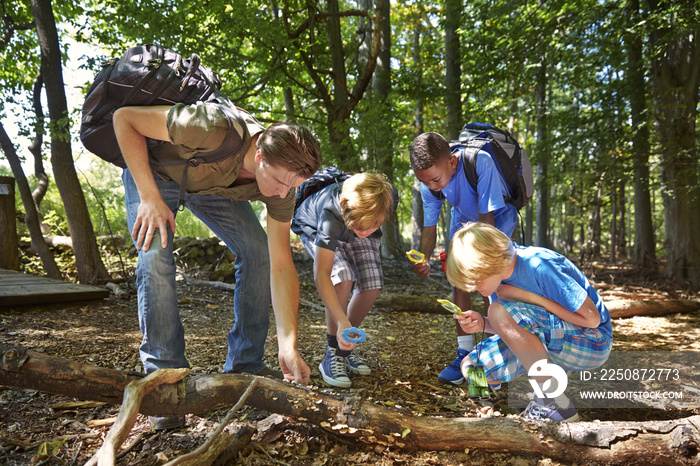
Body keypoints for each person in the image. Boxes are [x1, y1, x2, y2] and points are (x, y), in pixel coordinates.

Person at [112, 98, 321, 429]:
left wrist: (288, 346)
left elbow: (281, 265)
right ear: (260, 156)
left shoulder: (284, 185)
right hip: (157, 174)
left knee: (259, 252)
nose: (283, 195)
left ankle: (245, 364)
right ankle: (164, 382)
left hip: (214, 188)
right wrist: (149, 198)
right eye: (280, 183)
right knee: (155, 257)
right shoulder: (210, 126)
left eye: (291, 188)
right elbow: (125, 118)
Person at [445, 222, 613, 421]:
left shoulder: (539, 265)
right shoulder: (497, 280)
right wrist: (483, 323)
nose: (472, 288)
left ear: (490, 262)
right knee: (471, 365)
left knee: (498, 310)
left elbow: (592, 320)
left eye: (475, 279)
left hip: (593, 341)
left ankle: (554, 402)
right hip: (550, 339)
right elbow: (515, 328)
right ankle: (484, 404)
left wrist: (529, 297)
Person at [409, 131, 518, 385]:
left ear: (452, 162)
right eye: (425, 182)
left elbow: (487, 220)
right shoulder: (430, 183)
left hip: (495, 221)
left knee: (489, 282)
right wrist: (424, 258)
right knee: (458, 281)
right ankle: (465, 352)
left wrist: (481, 262)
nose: (431, 187)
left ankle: (494, 349)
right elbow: (429, 228)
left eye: (435, 180)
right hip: (462, 220)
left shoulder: (480, 163)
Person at [291, 171, 396, 388]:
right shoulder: (330, 216)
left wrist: (365, 228)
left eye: (372, 226)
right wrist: (340, 320)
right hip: (317, 226)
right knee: (342, 277)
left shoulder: (386, 199)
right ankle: (332, 354)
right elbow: (322, 275)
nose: (365, 232)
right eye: (361, 228)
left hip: (355, 219)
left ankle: (344, 346)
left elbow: (366, 227)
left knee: (372, 283)